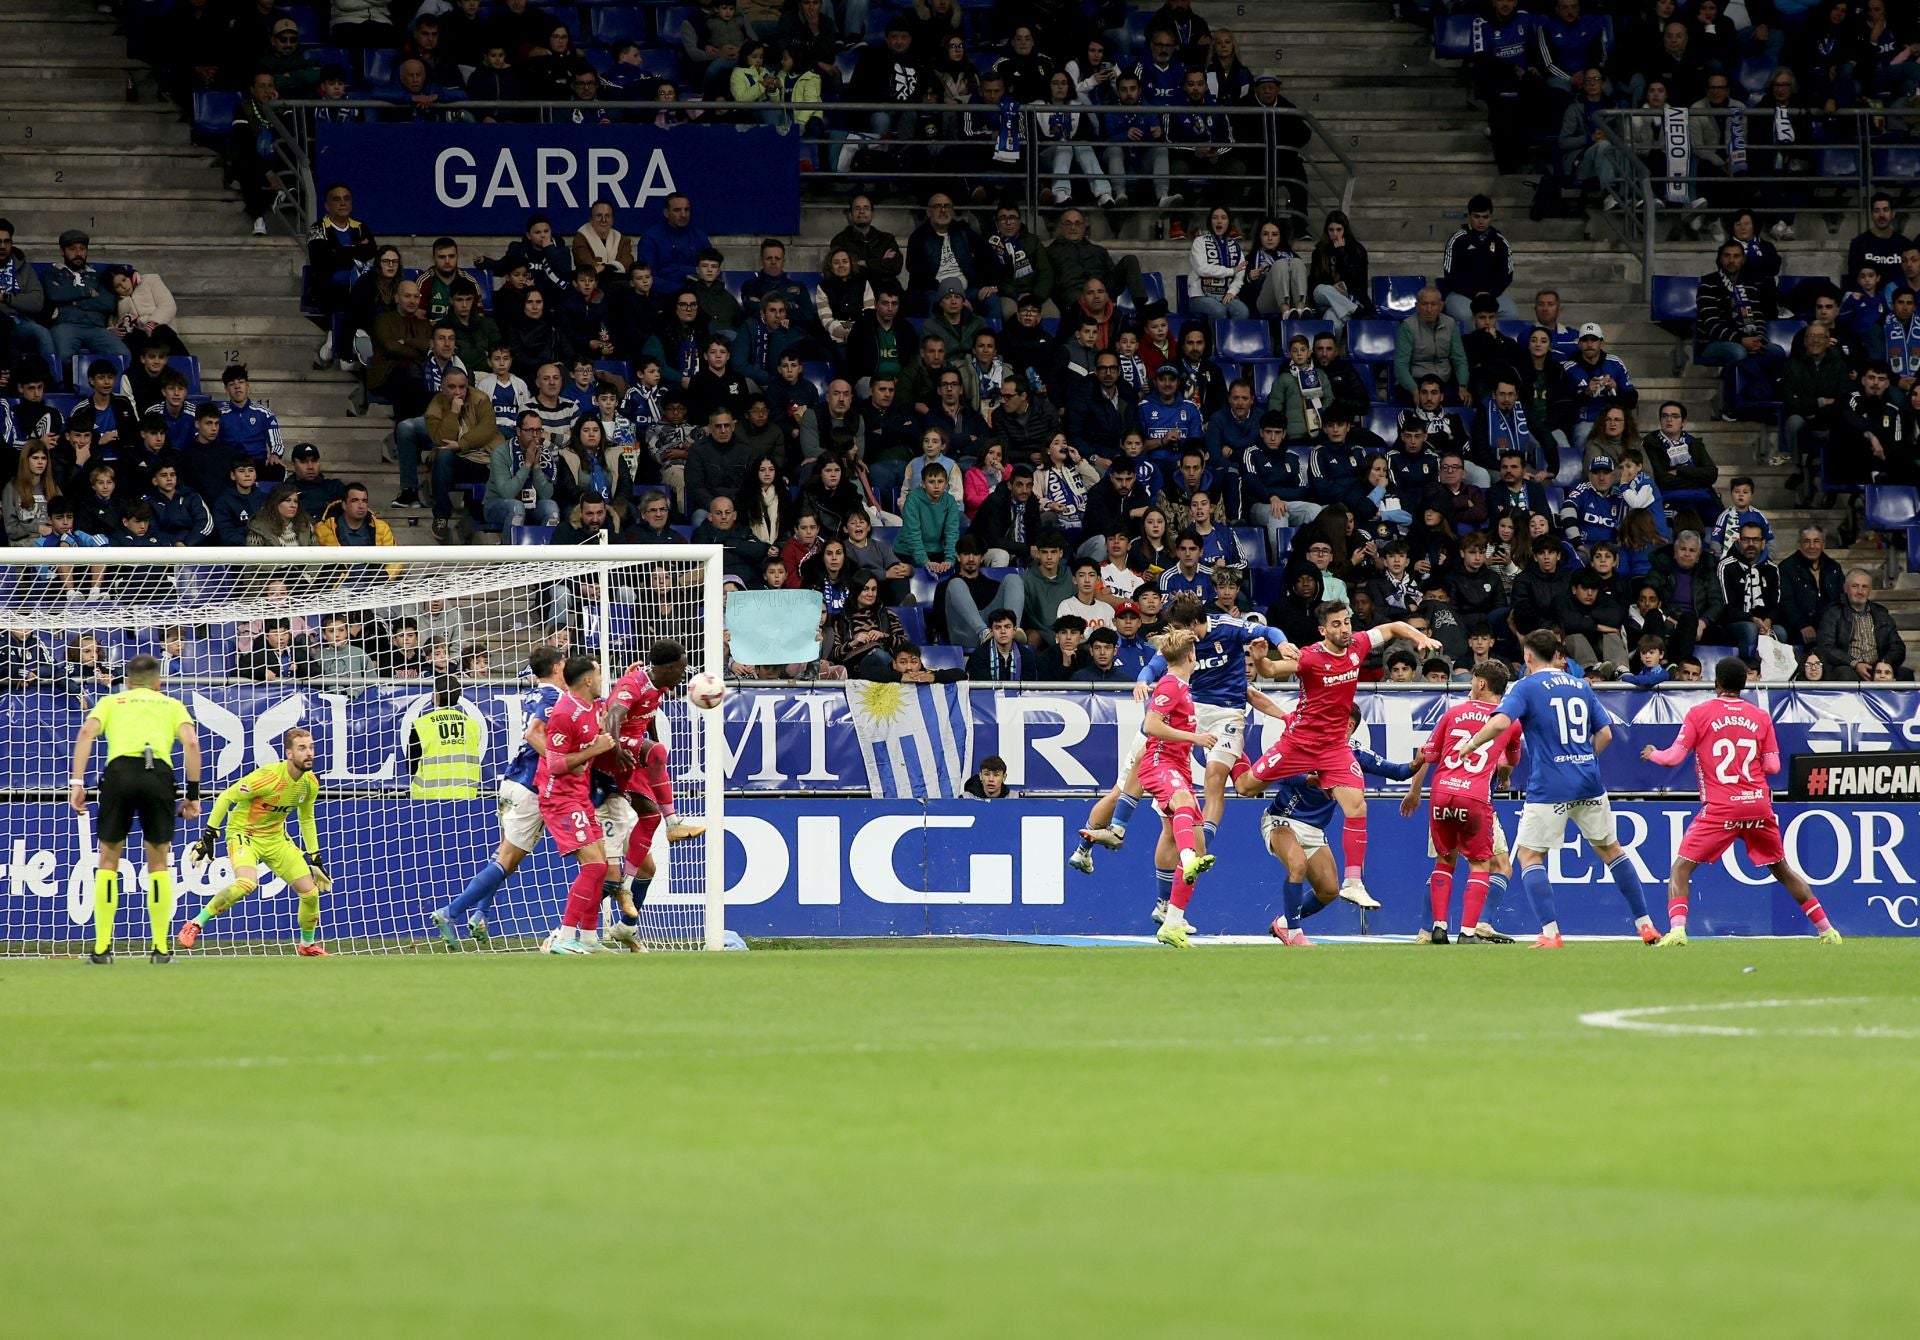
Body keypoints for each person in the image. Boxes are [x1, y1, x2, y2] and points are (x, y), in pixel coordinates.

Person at [1451, 628, 1659, 949]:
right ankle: (1646, 925)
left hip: (1550, 784)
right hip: (1589, 780)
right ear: (1558, 655)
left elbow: (1503, 722)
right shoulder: (1581, 685)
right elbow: (1605, 734)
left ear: (1528, 656)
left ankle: (1550, 934)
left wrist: (1472, 743)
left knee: (1530, 855)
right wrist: (1583, 758)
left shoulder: (1526, 686)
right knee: (1612, 850)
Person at [1238, 600, 1441, 906]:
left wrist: (1419, 637)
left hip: (1334, 748)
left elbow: (1390, 627)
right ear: (1323, 630)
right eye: (1336, 624)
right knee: (1245, 787)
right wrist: (1261, 658)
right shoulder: (1310, 658)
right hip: (1299, 744)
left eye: (1346, 622)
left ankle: (1353, 881)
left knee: (1357, 807)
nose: (1345, 628)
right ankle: (1231, 749)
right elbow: (1271, 669)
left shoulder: (1358, 644)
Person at [1640, 657, 1841, 945]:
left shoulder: (1700, 714)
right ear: (1744, 684)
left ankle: (1678, 931)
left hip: (1722, 806)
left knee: (1681, 868)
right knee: (1782, 869)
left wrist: (1652, 753)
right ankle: (1827, 931)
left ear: (1716, 683)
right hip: (1758, 803)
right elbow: (1772, 767)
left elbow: (1672, 758)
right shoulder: (1760, 717)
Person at [66, 654, 203, 962]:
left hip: (120, 774)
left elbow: (86, 733)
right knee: (158, 862)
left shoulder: (113, 702)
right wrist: (192, 795)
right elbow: (192, 743)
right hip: (158, 776)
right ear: (158, 682)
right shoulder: (171, 705)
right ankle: (161, 949)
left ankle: (102, 949)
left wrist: (77, 782)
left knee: (108, 859)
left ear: (127, 681)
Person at [178, 727, 332, 956]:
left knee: (310, 893)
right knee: (247, 884)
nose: (309, 753)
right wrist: (209, 835)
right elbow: (227, 796)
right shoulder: (268, 778)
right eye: (302, 748)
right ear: (289, 753)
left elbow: (306, 818)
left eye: (311, 747)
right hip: (244, 834)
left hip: (276, 839)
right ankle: (195, 923)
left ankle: (307, 945)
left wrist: (315, 857)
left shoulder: (310, 783)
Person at [1398, 659, 1522, 945]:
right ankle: (1468, 932)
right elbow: (1512, 759)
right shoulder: (1509, 721)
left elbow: (1426, 755)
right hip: (1476, 796)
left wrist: (1410, 779)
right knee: (1481, 864)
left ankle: (1437, 927)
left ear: (1480, 683)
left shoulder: (1453, 713)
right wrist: (1504, 774)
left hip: (1442, 793)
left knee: (1445, 860)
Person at [1137, 628, 1219, 949]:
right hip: (1159, 763)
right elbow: (1151, 725)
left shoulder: (1182, 687)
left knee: (1198, 848)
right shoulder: (1171, 684)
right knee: (1184, 810)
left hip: (1179, 768)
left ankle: (1172, 922)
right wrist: (1196, 739)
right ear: (1191, 656)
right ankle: (1185, 857)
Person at [535, 654, 621, 955]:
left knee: (603, 868)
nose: (600, 680)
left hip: (579, 796)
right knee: (595, 865)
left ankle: (587, 936)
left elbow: (612, 704)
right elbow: (556, 763)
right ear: (587, 679)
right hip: (558, 797)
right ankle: (563, 938)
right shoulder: (563, 713)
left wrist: (633, 680)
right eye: (598, 675)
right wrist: (594, 750)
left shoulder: (593, 705)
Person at [1816, 567, 1905, 680]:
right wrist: (1854, 663)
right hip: (1849, 667)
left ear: (1870, 590)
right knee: (1845, 675)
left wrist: (1884, 663)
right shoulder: (1833, 613)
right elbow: (1825, 647)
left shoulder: (1881, 613)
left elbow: (1897, 646)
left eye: (1864, 587)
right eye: (1855, 586)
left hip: (1877, 667)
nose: (1860, 591)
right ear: (1845, 588)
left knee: (1905, 674)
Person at [404, 674, 482, 802]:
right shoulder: (473, 725)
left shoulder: (422, 724)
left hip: (428, 797)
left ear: (437, 695)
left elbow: (411, 765)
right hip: (465, 795)